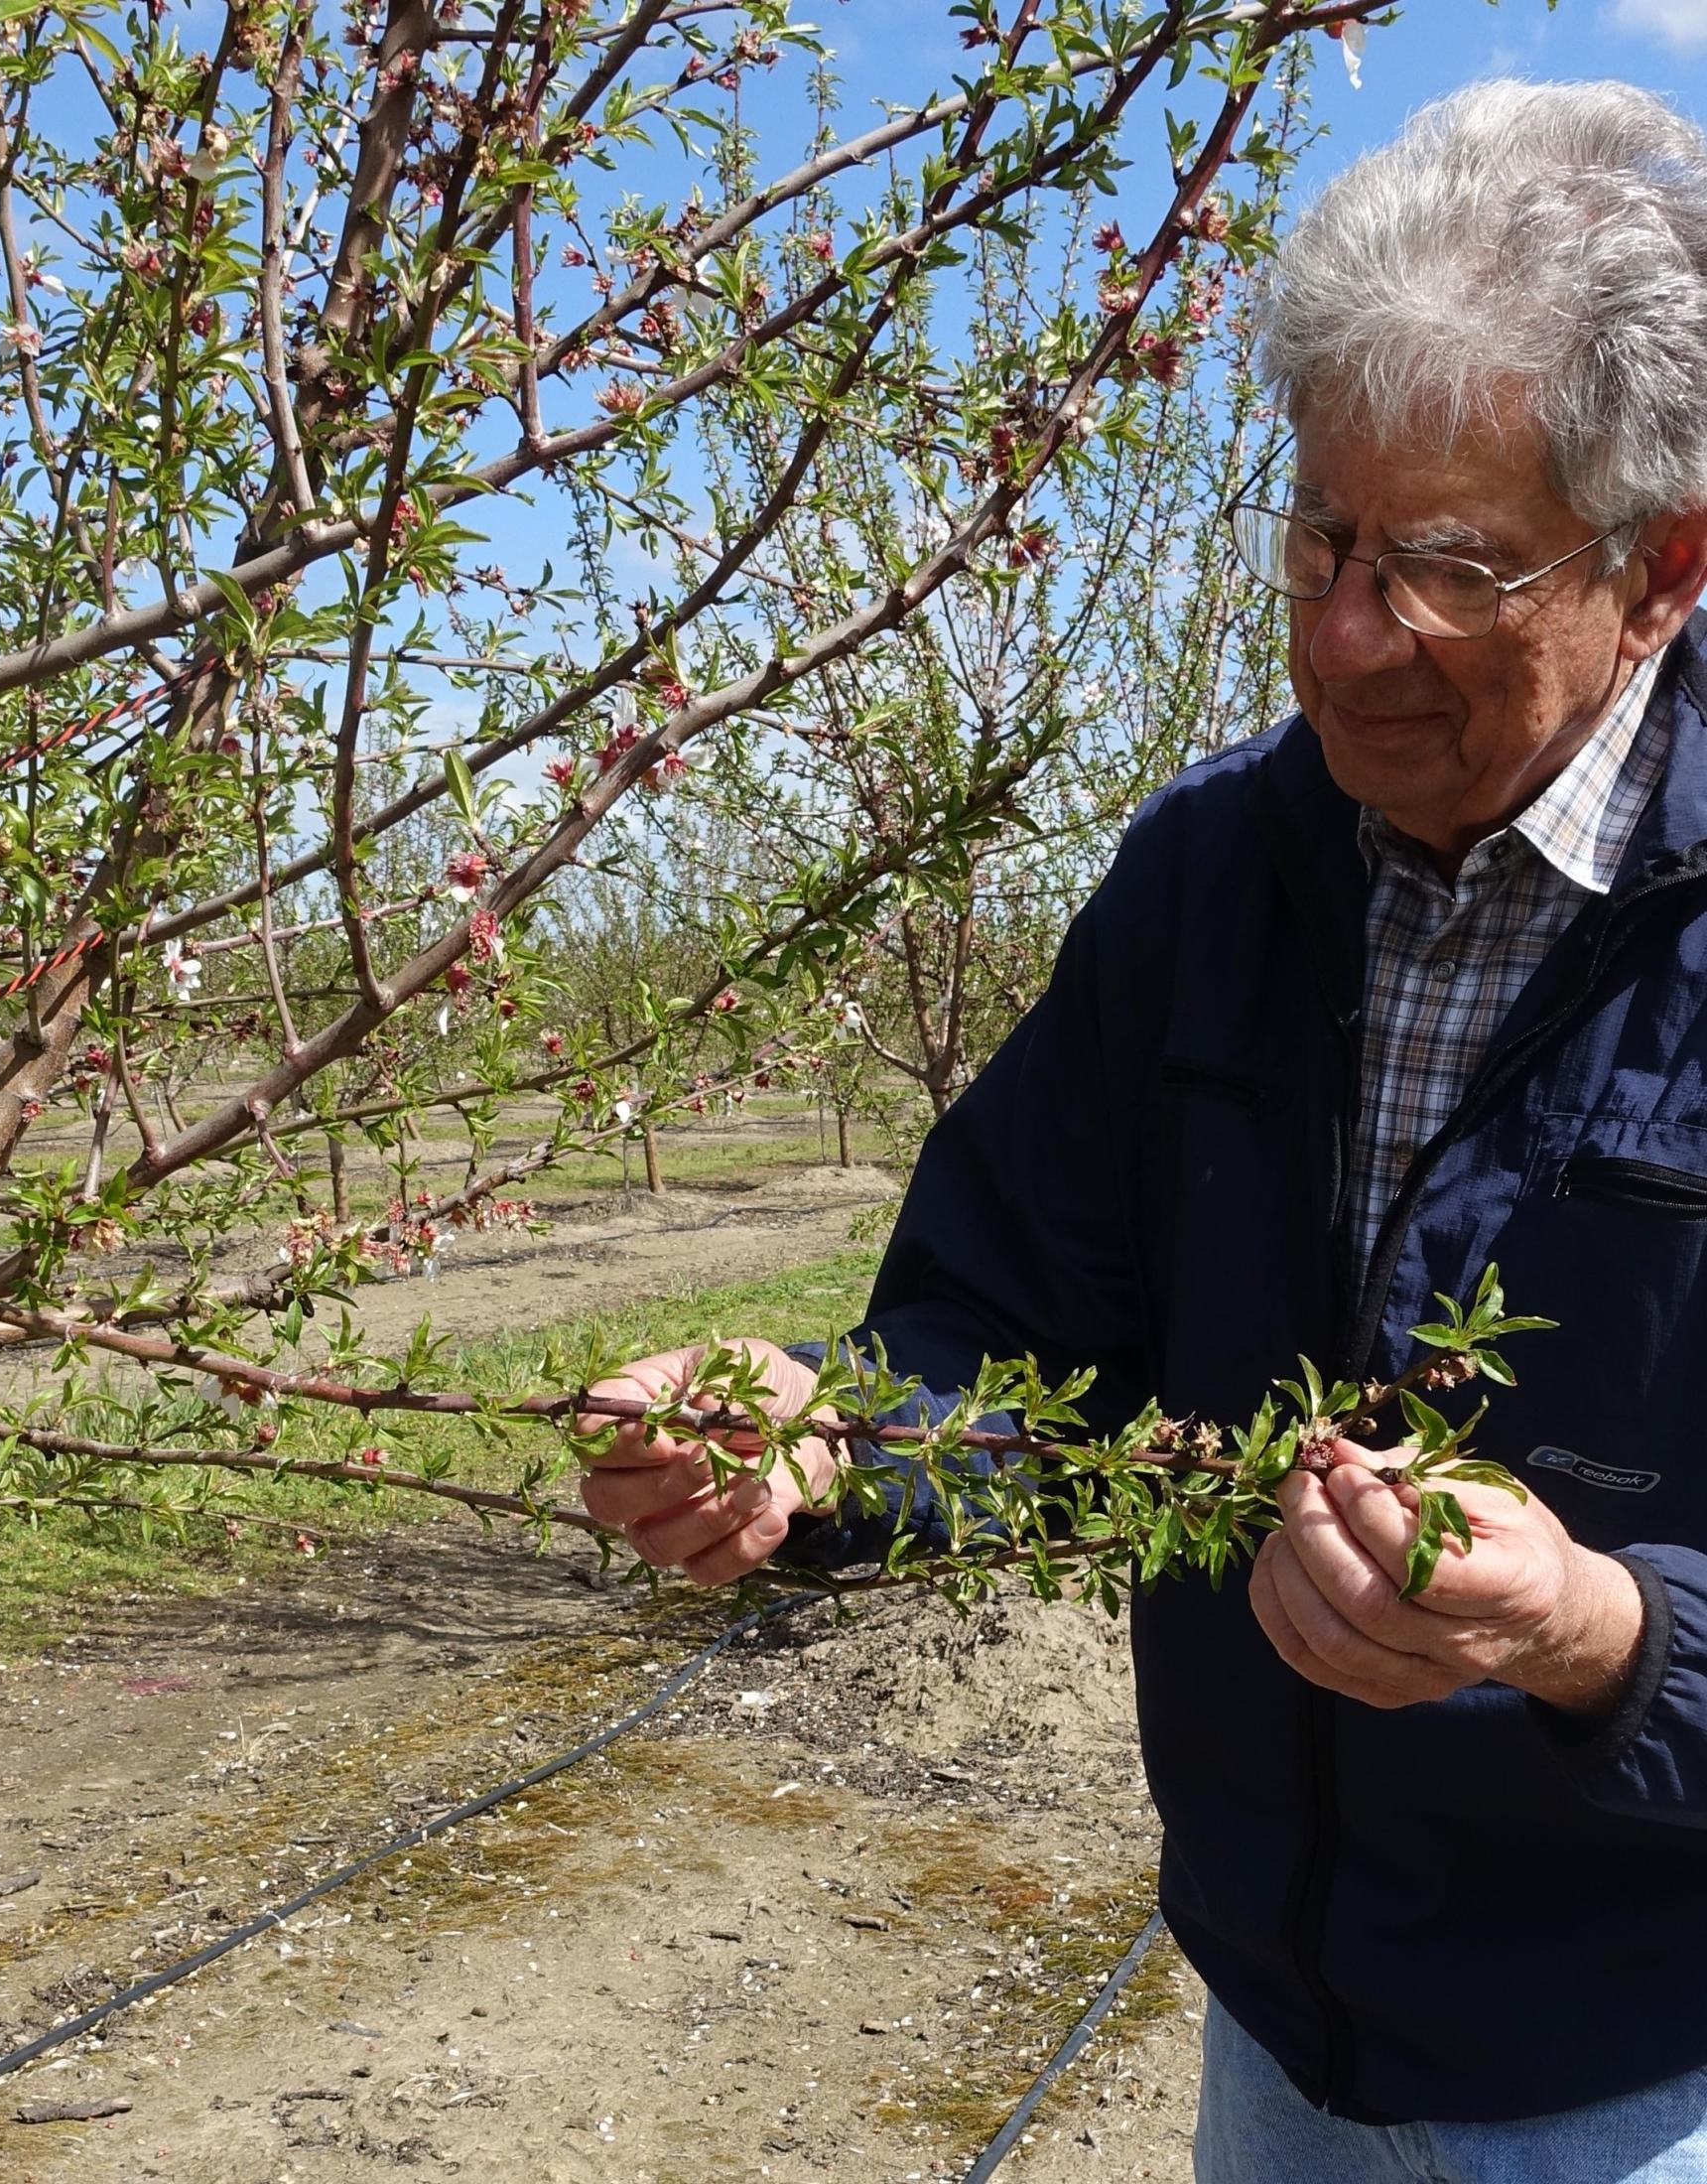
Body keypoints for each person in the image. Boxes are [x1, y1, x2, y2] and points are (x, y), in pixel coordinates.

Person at [578, 79, 1707, 2184]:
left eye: (1444, 563)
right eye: (1316, 537)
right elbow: (1011, 1334)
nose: (1344, 634)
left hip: (1642, 2067)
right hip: (1279, 2030)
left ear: (1654, 570)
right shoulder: (1208, 876)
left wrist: (1600, 1632)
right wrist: (816, 1429)